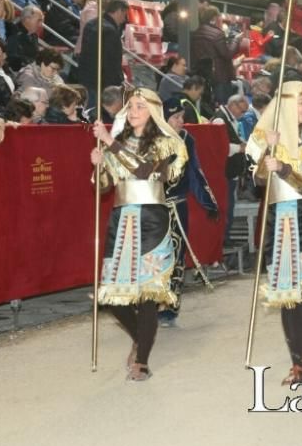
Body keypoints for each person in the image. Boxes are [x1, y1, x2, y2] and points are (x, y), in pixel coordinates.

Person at [91, 88, 188, 381]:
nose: (133, 111)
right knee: (111, 298)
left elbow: (146, 170)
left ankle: (142, 359)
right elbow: (103, 186)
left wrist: (110, 144)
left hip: (151, 220)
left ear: (153, 112)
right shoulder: (116, 142)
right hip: (122, 218)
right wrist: (98, 166)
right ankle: (140, 337)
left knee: (147, 294)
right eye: (130, 106)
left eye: (141, 107)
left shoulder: (167, 142)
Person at [245, 81, 302, 384]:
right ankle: (297, 361)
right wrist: (265, 154)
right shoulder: (265, 138)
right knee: (285, 292)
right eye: (301, 102)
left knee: (301, 289)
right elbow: (258, 182)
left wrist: (282, 167)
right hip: (276, 215)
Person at [158, 96, 220, 326]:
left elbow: (195, 172)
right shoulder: (150, 139)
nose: (181, 121)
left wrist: (208, 202)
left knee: (175, 256)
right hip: (152, 207)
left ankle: (169, 308)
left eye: (182, 116)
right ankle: (147, 304)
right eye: (175, 117)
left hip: (176, 205)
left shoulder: (186, 139)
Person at [211, 94, 249, 244]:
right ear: (233, 105)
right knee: (225, 208)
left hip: (231, 173)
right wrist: (240, 148)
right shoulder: (220, 120)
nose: (243, 114)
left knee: (229, 207)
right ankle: (223, 239)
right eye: (242, 110)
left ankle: (225, 237)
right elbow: (219, 147)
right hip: (224, 172)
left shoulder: (231, 120)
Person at [79, 0, 127, 105]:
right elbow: (111, 62)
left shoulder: (91, 24)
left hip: (87, 77)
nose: (124, 19)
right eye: (124, 14)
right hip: (103, 82)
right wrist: (118, 82)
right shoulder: (110, 31)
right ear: (119, 11)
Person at [191, 5, 240, 104]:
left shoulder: (195, 33)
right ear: (214, 17)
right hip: (220, 76)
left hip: (203, 75)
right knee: (223, 105)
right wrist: (236, 40)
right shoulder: (217, 34)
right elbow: (227, 54)